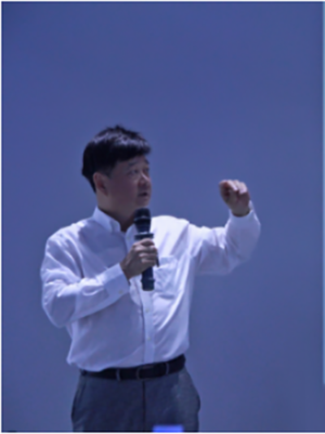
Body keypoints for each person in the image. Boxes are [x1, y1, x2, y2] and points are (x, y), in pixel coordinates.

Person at [40, 125, 261, 432]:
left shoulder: (175, 232)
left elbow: (231, 250)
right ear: (101, 182)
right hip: (106, 395)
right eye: (132, 172)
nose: (145, 181)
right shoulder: (68, 243)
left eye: (146, 170)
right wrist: (120, 274)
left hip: (170, 391)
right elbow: (57, 306)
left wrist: (241, 214)